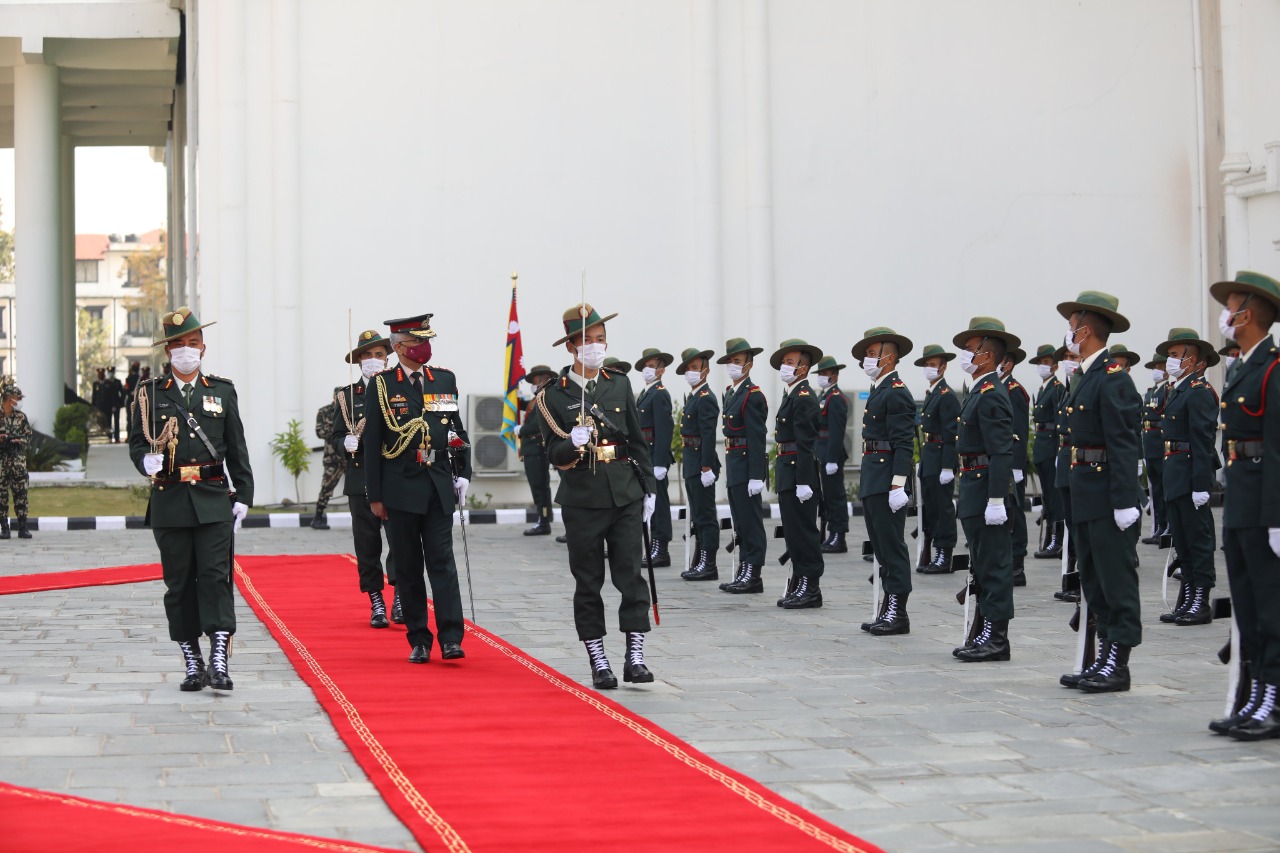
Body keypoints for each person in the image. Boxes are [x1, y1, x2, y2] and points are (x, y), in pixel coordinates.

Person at [127, 307, 253, 692]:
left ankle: (218, 656)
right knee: (179, 583)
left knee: (215, 578)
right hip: (169, 500)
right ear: (168, 353)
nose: (186, 351)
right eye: (178, 345)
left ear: (203, 348)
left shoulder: (222, 390)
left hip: (214, 498)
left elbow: (236, 447)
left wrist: (244, 495)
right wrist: (143, 460)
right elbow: (136, 443)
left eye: (192, 344)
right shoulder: (149, 393)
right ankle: (191, 658)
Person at [535, 303, 656, 690]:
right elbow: (552, 453)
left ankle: (635, 656)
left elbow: (636, 439)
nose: (597, 347)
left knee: (631, 576)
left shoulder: (618, 382)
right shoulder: (553, 395)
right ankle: (598, 658)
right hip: (582, 497)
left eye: (601, 339)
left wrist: (649, 489)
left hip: (624, 492)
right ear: (572, 346)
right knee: (588, 581)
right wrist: (571, 443)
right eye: (589, 340)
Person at [364, 313, 471, 665]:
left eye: (427, 341)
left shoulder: (443, 378)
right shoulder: (382, 385)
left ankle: (452, 637)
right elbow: (374, 444)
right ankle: (419, 638)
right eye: (416, 342)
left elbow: (456, 428)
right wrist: (375, 496)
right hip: (400, 487)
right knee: (408, 567)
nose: (423, 348)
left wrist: (464, 473)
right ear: (398, 347)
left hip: (438, 482)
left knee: (443, 563)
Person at [1054, 291, 1143, 694]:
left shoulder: (1114, 379)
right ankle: (1103, 655)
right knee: (1092, 578)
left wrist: (1126, 500)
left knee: (1115, 579)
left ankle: (1119, 663)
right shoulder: (1085, 377)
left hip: (1108, 496)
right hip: (1085, 492)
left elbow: (1123, 444)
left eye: (1072, 327)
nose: (1068, 334)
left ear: (1085, 331)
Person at [1209, 271, 1280, 740]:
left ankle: (1272, 698)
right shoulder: (1241, 368)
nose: (1225, 316)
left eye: (1230, 306)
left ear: (1247, 314)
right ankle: (1253, 693)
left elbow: (1275, 447)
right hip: (1240, 501)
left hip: (1264, 507)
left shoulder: (1274, 369)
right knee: (1249, 602)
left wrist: (1277, 518)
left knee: (1272, 604)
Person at [951, 318, 1018, 661]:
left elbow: (1000, 451)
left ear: (987, 355)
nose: (964, 354)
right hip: (973, 488)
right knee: (981, 563)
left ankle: (996, 637)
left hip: (985, 490)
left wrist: (996, 499)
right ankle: (983, 630)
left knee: (993, 565)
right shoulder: (978, 389)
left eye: (970, 349)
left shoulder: (991, 394)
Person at [331, 329, 399, 627]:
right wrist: (343, 443)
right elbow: (334, 436)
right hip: (361, 479)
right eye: (368, 356)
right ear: (359, 361)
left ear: (388, 358)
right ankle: (376, 600)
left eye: (379, 355)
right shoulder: (347, 395)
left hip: (397, 477)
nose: (374, 360)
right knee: (367, 543)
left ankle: (400, 596)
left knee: (400, 541)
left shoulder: (400, 389)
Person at [1154, 328, 1220, 626]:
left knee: (1198, 540)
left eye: (1176, 355)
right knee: (1182, 539)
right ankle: (1188, 595)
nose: (1171, 360)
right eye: (1170, 355)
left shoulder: (1199, 391)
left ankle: (1201, 600)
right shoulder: (1178, 389)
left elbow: (1203, 441)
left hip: (1190, 472)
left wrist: (1200, 484)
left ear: (1196, 361)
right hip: (1175, 472)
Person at [852, 327, 915, 635]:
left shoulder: (897, 391)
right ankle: (887, 607)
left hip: (887, 478)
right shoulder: (880, 389)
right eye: (867, 354)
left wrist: (898, 483)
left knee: (892, 546)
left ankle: (897, 611)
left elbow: (904, 443)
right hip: (873, 475)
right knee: (880, 547)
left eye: (873, 353)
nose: (868, 359)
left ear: (890, 357)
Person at [771, 339, 826, 608]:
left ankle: (810, 586)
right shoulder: (791, 393)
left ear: (804, 368)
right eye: (785, 362)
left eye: (791, 362)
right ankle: (800, 580)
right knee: (793, 532)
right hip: (786, 470)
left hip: (798, 473)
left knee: (804, 532)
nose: (786, 366)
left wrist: (805, 481)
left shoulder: (804, 397)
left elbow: (806, 443)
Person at [717, 339, 769, 589]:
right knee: (739, 520)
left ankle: (753, 572)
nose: (733, 366)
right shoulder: (730, 392)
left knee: (750, 521)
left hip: (747, 465)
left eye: (737, 361)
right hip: (734, 463)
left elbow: (757, 438)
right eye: (730, 361)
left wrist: (757, 475)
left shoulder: (752, 395)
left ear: (749, 364)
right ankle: (744, 568)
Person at [676, 347, 721, 582]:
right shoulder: (693, 397)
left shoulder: (706, 398)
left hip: (701, 464)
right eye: (688, 369)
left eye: (695, 368)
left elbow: (708, 435)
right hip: (692, 461)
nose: (691, 372)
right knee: (698, 516)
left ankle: (708, 563)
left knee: (705, 516)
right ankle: (700, 559)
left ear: (706, 370)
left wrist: (706, 467)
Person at [915, 344, 960, 573]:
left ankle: (945, 553)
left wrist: (947, 466)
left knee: (943, 509)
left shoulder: (947, 396)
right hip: (929, 458)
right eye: (927, 365)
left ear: (943, 367)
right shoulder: (933, 393)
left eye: (933, 365)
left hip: (940, 458)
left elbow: (951, 435)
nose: (929, 368)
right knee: (931, 508)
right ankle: (934, 552)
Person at [636, 348, 675, 566]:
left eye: (652, 366)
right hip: (645, 456)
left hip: (654, 459)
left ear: (661, 369)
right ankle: (653, 546)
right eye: (645, 366)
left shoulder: (660, 393)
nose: (647, 370)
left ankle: (661, 548)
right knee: (650, 503)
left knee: (659, 504)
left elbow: (664, 429)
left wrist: (661, 462)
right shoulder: (646, 393)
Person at [1029, 345, 1067, 560]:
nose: (1042, 366)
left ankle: (1057, 540)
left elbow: (1060, 423)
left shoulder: (1057, 388)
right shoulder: (1044, 389)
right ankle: (1050, 539)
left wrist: (1059, 453)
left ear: (1055, 365)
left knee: (1055, 498)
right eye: (1040, 363)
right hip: (1043, 447)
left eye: (1046, 362)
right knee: (1048, 497)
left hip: (1052, 446)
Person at [997, 347, 1030, 586]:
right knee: (1005, 511)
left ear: (1007, 364)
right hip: (1001, 461)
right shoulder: (997, 388)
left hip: (1012, 462)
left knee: (1015, 513)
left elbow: (1019, 431)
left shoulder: (1014, 391)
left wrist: (1017, 466)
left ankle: (1018, 565)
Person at [814, 356, 850, 554]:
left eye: (824, 373)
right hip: (821, 451)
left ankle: (838, 535)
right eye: (819, 373)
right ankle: (830, 534)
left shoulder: (835, 398)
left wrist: (832, 459)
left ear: (834, 375)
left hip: (831, 453)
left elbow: (837, 431)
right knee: (826, 496)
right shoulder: (824, 396)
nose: (821, 376)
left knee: (835, 496)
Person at [520, 365, 558, 537]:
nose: (533, 385)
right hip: (532, 448)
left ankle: (543, 521)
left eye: (535, 382)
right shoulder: (538, 398)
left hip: (537, 448)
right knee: (539, 486)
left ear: (543, 380)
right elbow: (527, 408)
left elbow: (536, 423)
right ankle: (544, 518)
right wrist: (513, 394)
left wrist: (520, 430)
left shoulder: (546, 398)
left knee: (540, 487)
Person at [1140, 354, 1171, 546]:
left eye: (1161, 366)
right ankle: (1160, 525)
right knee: (1156, 490)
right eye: (1156, 366)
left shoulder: (1168, 391)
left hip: (1161, 444)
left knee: (1165, 487)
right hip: (1149, 445)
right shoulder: (1150, 393)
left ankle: (1167, 526)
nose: (1157, 370)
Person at [310, 393, 348, 530]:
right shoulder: (324, 411)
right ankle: (317, 518)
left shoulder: (351, 409)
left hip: (351, 456)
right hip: (332, 458)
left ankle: (371, 518)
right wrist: (337, 431)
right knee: (326, 487)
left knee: (362, 487)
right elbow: (319, 432)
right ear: (333, 397)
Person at [0, 384, 33, 539]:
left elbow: (29, 437)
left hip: (17, 462)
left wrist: (20, 440)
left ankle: (22, 527)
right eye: (18, 398)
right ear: (9, 399)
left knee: (21, 494)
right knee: (1, 496)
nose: (20, 401)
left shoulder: (21, 417)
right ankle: (4, 528)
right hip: (1, 463)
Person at [106, 367, 126, 442]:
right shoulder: (106, 382)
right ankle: (109, 437)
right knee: (108, 422)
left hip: (116, 405)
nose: (111, 374)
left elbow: (122, 393)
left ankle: (117, 438)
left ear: (114, 373)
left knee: (116, 422)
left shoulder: (118, 382)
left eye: (112, 372)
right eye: (109, 372)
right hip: (108, 406)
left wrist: (120, 403)